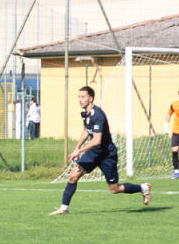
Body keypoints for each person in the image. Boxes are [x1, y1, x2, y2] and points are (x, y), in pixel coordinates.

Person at [49, 86, 151, 215]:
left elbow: (96, 140)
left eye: (83, 97)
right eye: (79, 97)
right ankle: (64, 209)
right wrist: (77, 148)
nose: (80, 100)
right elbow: (86, 130)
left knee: (115, 189)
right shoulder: (84, 112)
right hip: (93, 153)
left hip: (107, 155)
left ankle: (143, 188)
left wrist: (79, 152)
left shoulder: (98, 115)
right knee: (73, 176)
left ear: (91, 98)